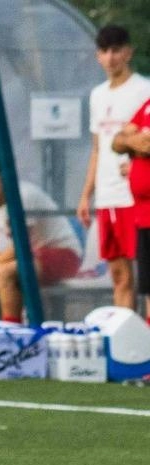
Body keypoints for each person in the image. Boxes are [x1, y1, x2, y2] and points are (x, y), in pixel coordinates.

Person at [0, 151, 81, 322]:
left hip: (64, 255)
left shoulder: (23, 195)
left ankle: (12, 334)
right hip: (31, 256)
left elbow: (20, 248)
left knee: (3, 273)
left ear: (4, 176)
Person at [78, 25, 150, 312]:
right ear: (97, 56)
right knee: (119, 276)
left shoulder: (143, 89)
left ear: (128, 52)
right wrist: (86, 194)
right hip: (107, 195)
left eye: (116, 50)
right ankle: (126, 343)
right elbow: (98, 147)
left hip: (134, 196)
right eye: (105, 52)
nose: (111, 58)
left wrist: (132, 154)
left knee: (145, 275)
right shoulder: (97, 95)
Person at [113, 94, 150, 320]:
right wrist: (134, 143)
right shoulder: (147, 104)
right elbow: (117, 140)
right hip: (143, 217)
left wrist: (135, 143)